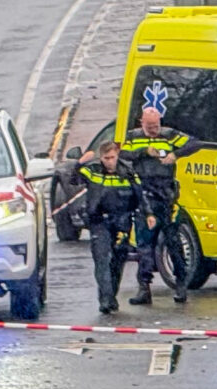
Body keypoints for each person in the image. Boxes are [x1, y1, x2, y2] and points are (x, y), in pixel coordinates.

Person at [121, 105, 199, 306]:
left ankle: (181, 284)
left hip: (166, 194)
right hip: (145, 194)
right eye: (149, 126)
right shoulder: (133, 136)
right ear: (141, 123)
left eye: (156, 125)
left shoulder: (170, 135)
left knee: (173, 242)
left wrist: (176, 154)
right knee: (144, 245)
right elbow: (122, 154)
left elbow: (194, 144)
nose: (154, 129)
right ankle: (144, 287)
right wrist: (144, 151)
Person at [79, 140, 141, 313]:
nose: (109, 162)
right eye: (106, 158)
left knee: (118, 261)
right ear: (101, 157)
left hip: (122, 221)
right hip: (99, 221)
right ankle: (105, 299)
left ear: (117, 155)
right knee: (102, 259)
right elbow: (74, 179)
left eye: (112, 158)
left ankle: (111, 295)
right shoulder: (93, 171)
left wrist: (147, 214)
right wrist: (80, 163)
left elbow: (139, 195)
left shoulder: (128, 172)